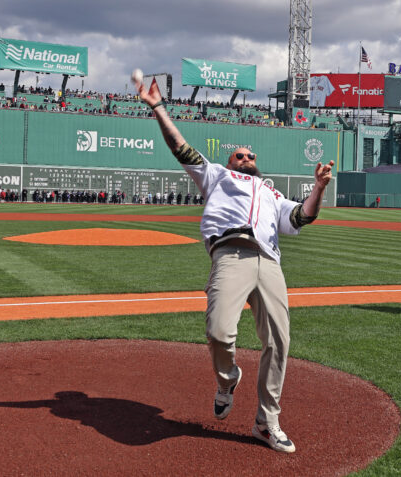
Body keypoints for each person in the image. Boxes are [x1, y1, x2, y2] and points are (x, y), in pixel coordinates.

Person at [137, 77, 333, 453]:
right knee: (219, 331)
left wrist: (319, 189)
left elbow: (300, 219)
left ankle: (266, 422)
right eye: (240, 155)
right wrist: (157, 108)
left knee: (278, 342)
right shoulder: (216, 176)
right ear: (229, 162)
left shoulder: (271, 191)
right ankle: (227, 380)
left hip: (270, 262)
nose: (246, 159)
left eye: (251, 156)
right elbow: (180, 147)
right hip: (231, 254)